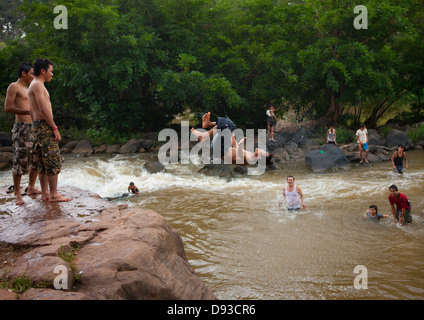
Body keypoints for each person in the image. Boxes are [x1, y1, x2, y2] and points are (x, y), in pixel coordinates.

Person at [28, 58, 71, 202]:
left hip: (37, 125)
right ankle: (53, 194)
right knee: (52, 159)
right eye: (51, 71)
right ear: (43, 71)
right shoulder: (38, 85)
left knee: (42, 160)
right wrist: (54, 127)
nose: (52, 74)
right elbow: (43, 108)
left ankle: (45, 193)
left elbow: (31, 110)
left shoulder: (34, 85)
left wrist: (36, 126)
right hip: (44, 126)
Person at [4, 62, 41, 205]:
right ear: (24, 74)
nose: (34, 76)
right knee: (20, 160)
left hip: (34, 126)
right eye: (32, 73)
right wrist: (27, 112)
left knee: (37, 157)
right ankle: (17, 193)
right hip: (22, 128)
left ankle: (31, 187)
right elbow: (8, 107)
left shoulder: (30, 88)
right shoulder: (14, 86)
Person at [190, 112, 268, 165]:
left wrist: (239, 146)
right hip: (220, 149)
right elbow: (236, 148)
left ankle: (205, 135)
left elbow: (240, 155)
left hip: (220, 150)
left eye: (263, 151)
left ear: (259, 157)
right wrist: (239, 143)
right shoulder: (250, 155)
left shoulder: (251, 160)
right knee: (228, 124)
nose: (262, 149)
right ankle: (208, 125)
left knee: (230, 125)